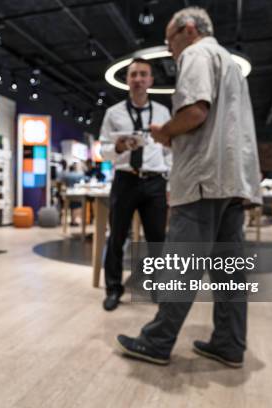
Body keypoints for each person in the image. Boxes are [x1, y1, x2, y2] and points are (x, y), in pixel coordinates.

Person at [116, 7, 261, 367]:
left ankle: (158, 341)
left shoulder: (197, 54)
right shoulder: (228, 62)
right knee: (230, 270)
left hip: (202, 178)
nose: (170, 49)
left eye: (170, 40)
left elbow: (196, 112)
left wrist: (165, 132)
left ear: (189, 29)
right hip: (231, 180)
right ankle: (229, 343)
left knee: (181, 261)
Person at [99, 58, 172, 311]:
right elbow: (104, 150)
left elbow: (169, 151)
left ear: (151, 80)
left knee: (157, 240)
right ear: (127, 80)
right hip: (125, 179)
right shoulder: (113, 113)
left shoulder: (163, 113)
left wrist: (170, 182)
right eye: (134, 75)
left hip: (155, 182)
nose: (138, 79)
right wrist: (117, 146)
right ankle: (113, 289)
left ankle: (157, 288)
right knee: (116, 237)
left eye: (143, 74)